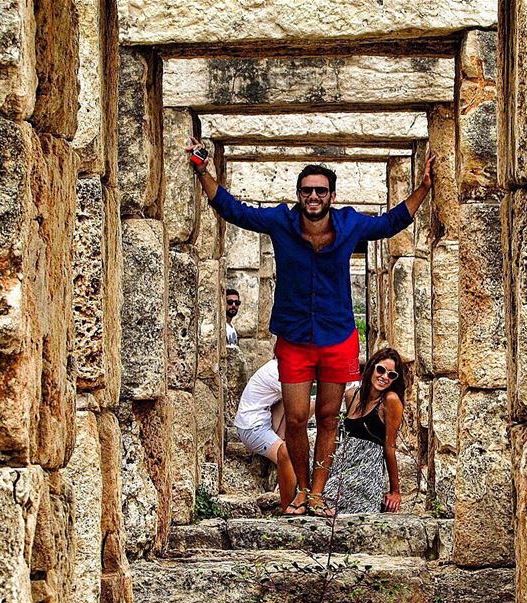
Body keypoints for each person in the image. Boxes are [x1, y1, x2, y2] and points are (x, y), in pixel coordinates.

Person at [186, 137, 434, 516]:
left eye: (320, 190)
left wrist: (423, 189)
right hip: (295, 336)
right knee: (298, 417)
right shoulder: (281, 222)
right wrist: (204, 170)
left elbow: (391, 223)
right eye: (307, 190)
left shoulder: (349, 224)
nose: (313, 196)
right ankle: (300, 490)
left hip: (338, 335)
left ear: (331, 195)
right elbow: (233, 210)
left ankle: (317, 494)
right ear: (299, 194)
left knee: (329, 417)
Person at [324, 347, 405, 514]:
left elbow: (390, 447)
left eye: (391, 375)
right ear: (372, 367)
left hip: (367, 469)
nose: (384, 377)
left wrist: (395, 491)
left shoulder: (390, 401)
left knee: (331, 497)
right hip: (343, 462)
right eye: (381, 370)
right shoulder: (351, 395)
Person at [234, 358, 314, 511]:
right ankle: (290, 504)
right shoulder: (277, 371)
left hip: (264, 422)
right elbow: (304, 407)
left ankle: (282, 438)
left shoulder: (282, 367)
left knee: (290, 399)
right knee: (289, 455)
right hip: (251, 428)